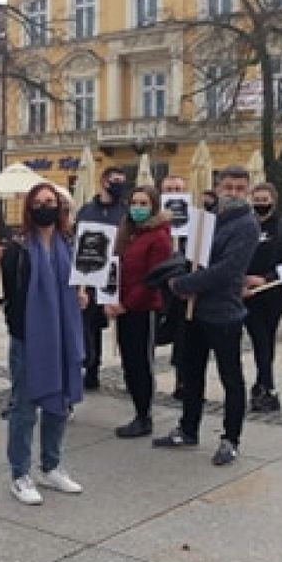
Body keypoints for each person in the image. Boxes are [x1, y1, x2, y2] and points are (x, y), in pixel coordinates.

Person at [0, 183, 86, 505]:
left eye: (50, 201)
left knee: (59, 403)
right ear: (29, 208)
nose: (45, 207)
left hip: (63, 336)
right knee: (24, 408)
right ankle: (20, 475)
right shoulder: (17, 249)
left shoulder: (69, 245)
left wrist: (82, 297)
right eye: (39, 202)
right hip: (29, 338)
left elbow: (80, 285)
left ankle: (51, 466)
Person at [154, 166, 260, 466]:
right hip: (195, 310)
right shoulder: (207, 218)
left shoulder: (247, 224)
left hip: (223, 311)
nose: (234, 193)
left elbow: (227, 269)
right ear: (219, 188)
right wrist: (179, 271)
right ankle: (188, 429)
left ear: (248, 191)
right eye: (229, 187)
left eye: (240, 188)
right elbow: (194, 257)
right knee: (191, 373)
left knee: (230, 378)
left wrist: (184, 285)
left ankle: (231, 439)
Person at [105, 186, 173, 438]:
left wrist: (127, 304)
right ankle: (138, 410)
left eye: (144, 203)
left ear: (153, 206)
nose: (138, 208)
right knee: (129, 363)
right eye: (134, 203)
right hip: (124, 307)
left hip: (143, 308)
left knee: (141, 363)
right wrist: (109, 298)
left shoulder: (159, 237)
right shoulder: (128, 233)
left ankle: (144, 416)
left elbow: (152, 279)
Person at [243, 182, 282, 411]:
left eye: (264, 200)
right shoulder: (246, 226)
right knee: (259, 339)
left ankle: (264, 385)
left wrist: (266, 279)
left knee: (267, 338)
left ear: (273, 201)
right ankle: (266, 386)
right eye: (257, 200)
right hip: (248, 295)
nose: (260, 204)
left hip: (273, 293)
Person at [75, 166, 127, 390]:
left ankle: (129, 371)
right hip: (91, 274)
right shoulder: (87, 210)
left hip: (118, 273)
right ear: (104, 182)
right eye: (116, 180)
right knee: (90, 324)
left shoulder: (125, 211)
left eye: (122, 181)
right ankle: (92, 368)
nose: (120, 185)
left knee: (123, 323)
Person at [160, 173, 188, 398]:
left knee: (184, 338)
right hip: (158, 288)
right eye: (169, 190)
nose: (173, 194)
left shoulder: (193, 221)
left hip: (183, 289)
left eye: (177, 190)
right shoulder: (153, 222)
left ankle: (182, 381)